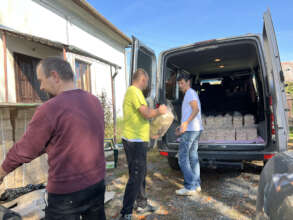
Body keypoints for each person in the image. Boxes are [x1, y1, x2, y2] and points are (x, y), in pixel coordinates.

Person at [0, 57, 106, 220]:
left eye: (41, 80)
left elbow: (25, 150)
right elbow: (68, 138)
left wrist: (1, 172)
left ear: (55, 76)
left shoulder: (50, 108)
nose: (41, 87)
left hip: (67, 193)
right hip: (97, 184)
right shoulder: (94, 101)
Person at [119, 68, 167, 220]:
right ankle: (126, 212)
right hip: (134, 141)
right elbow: (146, 113)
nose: (146, 86)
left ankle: (141, 204)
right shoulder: (134, 91)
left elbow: (141, 117)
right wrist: (160, 111)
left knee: (141, 174)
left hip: (137, 138)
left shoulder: (134, 92)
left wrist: (150, 131)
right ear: (143, 80)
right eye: (146, 82)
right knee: (136, 176)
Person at [175, 73, 203, 196]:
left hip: (191, 130)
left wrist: (185, 123)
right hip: (194, 129)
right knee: (193, 157)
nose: (180, 86)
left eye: (182, 83)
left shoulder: (190, 93)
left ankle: (190, 186)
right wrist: (182, 125)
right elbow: (189, 112)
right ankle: (196, 184)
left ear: (188, 82)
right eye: (179, 84)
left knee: (182, 158)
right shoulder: (190, 93)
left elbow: (195, 109)